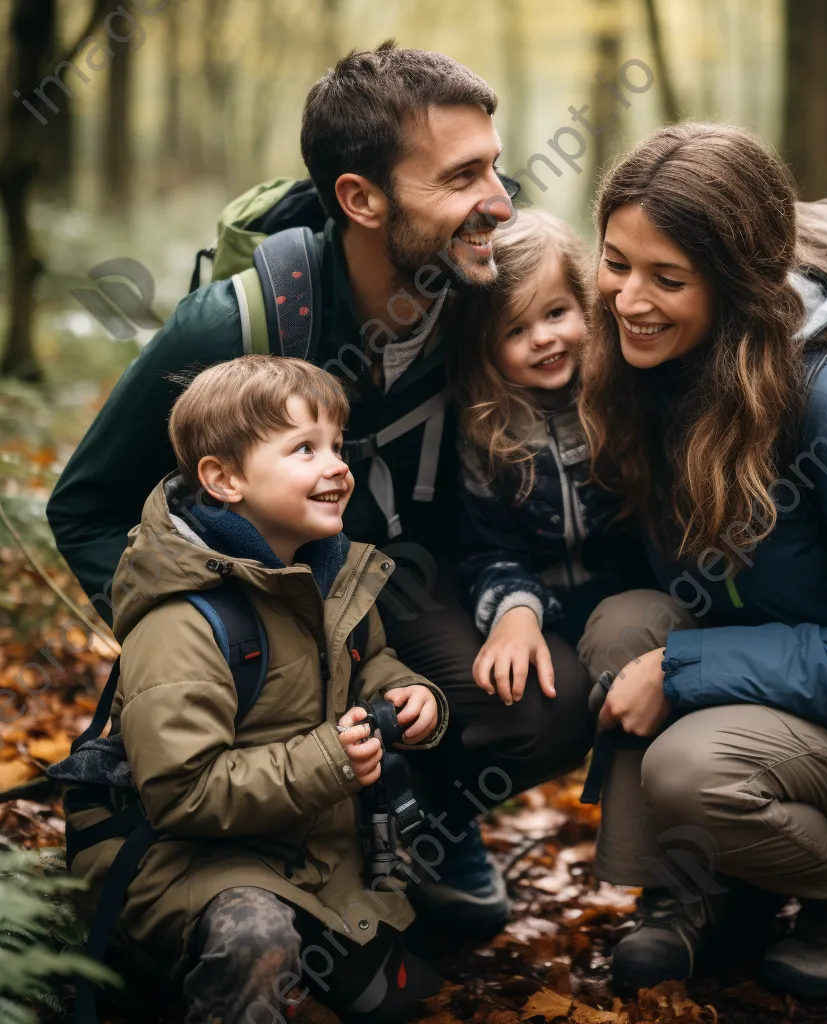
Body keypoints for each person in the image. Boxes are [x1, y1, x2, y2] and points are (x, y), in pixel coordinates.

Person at [45, 43, 593, 934]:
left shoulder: (479, 294)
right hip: (264, 601)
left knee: (546, 704)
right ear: (361, 198)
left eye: (495, 165)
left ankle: (428, 814)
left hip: (404, 589)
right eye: (462, 178)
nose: (500, 200)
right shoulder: (236, 325)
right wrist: (191, 634)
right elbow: (86, 507)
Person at [575, 123, 827, 998]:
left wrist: (682, 668)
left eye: (667, 279)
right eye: (615, 263)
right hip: (766, 680)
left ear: (737, 285)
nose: (628, 299)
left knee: (689, 763)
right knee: (617, 629)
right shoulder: (654, 369)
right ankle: (702, 891)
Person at [64, 356, 449, 1024]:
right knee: (258, 942)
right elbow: (183, 793)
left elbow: (370, 662)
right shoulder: (182, 619)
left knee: (393, 996)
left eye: (336, 444)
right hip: (186, 860)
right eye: (305, 448)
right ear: (224, 479)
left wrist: (412, 695)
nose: (337, 466)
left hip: (309, 847)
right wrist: (330, 761)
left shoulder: (328, 575)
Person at [452, 208, 652, 707]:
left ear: (586, 308)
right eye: (515, 331)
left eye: (556, 313)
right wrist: (515, 612)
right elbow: (485, 551)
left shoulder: (620, 398)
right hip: (539, 603)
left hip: (634, 597)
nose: (542, 338)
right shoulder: (485, 433)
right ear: (485, 347)